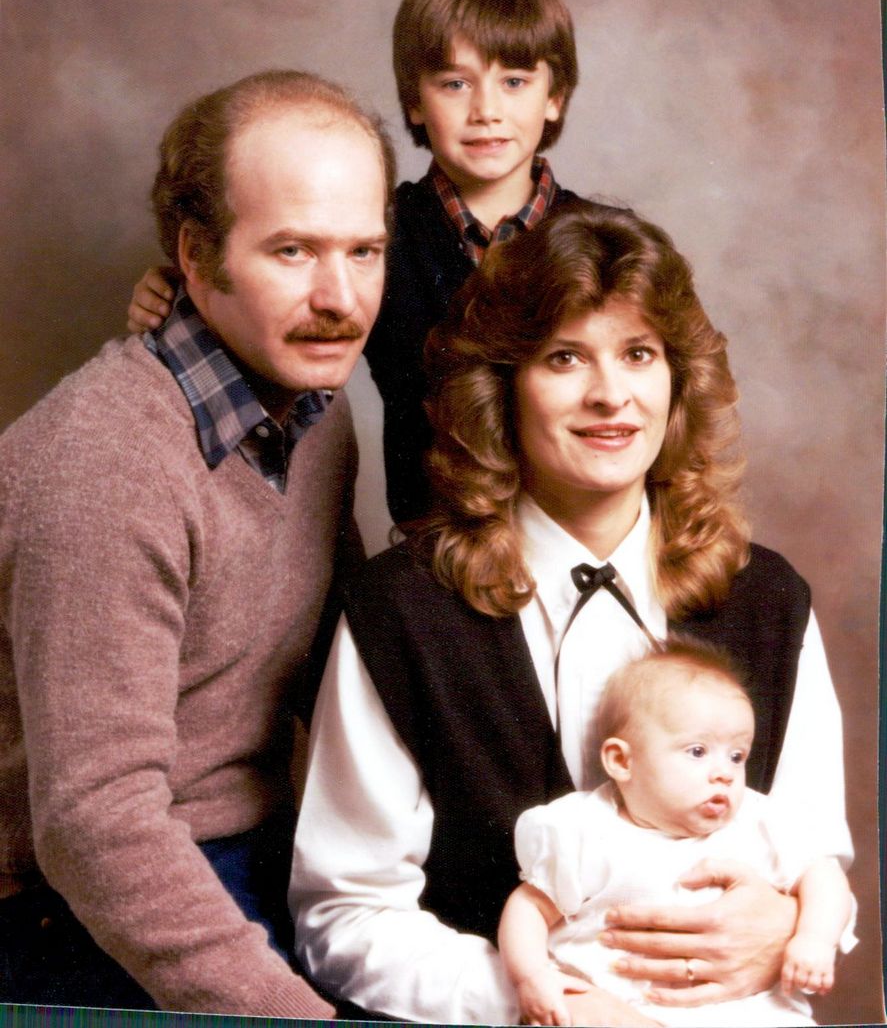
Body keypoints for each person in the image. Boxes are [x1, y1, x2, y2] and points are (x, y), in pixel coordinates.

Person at [289, 200, 853, 1025]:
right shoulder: (402, 611)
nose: (610, 396)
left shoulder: (766, 599)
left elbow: (812, 857)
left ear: (677, 381)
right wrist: (555, 1008)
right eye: (563, 358)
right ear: (501, 388)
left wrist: (787, 932)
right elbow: (343, 916)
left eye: (638, 354)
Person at [0, 69, 394, 1015]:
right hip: (72, 906)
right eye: (293, 251)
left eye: (365, 251)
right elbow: (95, 826)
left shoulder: (314, 410)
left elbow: (338, 664)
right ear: (195, 254)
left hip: (262, 849)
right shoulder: (105, 466)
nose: (340, 297)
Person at [124, 0, 581, 524]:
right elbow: (274, 320)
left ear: (555, 96)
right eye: (455, 83)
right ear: (414, 100)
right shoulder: (369, 237)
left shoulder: (606, 240)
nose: (486, 110)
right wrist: (179, 291)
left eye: (514, 81)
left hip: (578, 531)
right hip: (435, 543)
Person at [498, 638, 854, 1028]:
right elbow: (529, 908)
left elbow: (824, 876)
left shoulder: (755, 822)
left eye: (737, 756)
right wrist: (531, 977)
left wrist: (814, 938)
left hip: (747, 1010)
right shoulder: (586, 830)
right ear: (621, 761)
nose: (724, 773)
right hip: (615, 1010)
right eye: (697, 751)